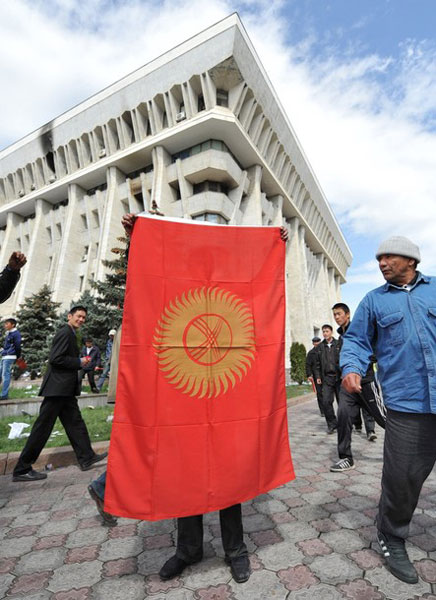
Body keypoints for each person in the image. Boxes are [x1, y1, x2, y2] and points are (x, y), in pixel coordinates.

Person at [113, 212, 289, 584]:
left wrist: (273, 243)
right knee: (183, 471)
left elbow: (251, 278)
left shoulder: (229, 278)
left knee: (229, 472)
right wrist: (138, 236)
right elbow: (151, 272)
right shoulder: (175, 278)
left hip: (227, 393)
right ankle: (188, 549)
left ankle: (235, 550)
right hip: (181, 394)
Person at [340, 236, 435, 585]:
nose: (381, 263)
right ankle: (391, 535)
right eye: (378, 258)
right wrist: (351, 367)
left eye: (388, 257)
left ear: (410, 260)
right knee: (403, 477)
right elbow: (357, 341)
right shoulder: (373, 301)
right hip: (407, 403)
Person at [12, 306, 108, 482]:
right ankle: (22, 468)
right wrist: (79, 361)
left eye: (84, 317)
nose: (81, 319)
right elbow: (56, 359)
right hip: (57, 389)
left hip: (64, 390)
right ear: (70, 316)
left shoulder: (71, 333)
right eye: (78, 316)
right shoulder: (65, 332)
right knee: (43, 427)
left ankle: (86, 457)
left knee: (75, 423)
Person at [329, 302, 386, 473]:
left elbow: (374, 350)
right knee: (343, 415)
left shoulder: (360, 330)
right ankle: (346, 458)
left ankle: (413, 448)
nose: (337, 317)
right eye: (334, 315)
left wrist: (363, 365)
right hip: (346, 385)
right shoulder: (341, 337)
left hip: (366, 381)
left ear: (348, 314)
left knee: (384, 419)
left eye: (339, 314)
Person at [314, 324, 340, 433]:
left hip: (339, 378)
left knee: (343, 403)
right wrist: (318, 377)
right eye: (323, 332)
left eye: (327, 331)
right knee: (326, 402)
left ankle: (344, 423)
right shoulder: (320, 347)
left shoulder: (339, 344)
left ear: (331, 332)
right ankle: (332, 424)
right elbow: (317, 364)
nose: (325, 333)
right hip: (327, 378)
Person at [0, 318, 21, 399]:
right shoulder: (8, 333)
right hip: (4, 356)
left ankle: (4, 395)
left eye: (7, 324)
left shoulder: (16, 334)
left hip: (9, 357)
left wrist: (18, 356)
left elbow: (17, 346)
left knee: (5, 375)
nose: (5, 325)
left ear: (13, 325)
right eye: (5, 324)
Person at [305, 336, 323, 416]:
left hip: (325, 374)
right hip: (316, 375)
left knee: (327, 393)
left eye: (317, 342)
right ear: (313, 343)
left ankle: (328, 408)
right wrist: (309, 375)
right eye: (314, 342)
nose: (316, 343)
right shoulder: (311, 353)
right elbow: (308, 365)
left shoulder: (324, 350)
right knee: (319, 393)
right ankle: (323, 411)